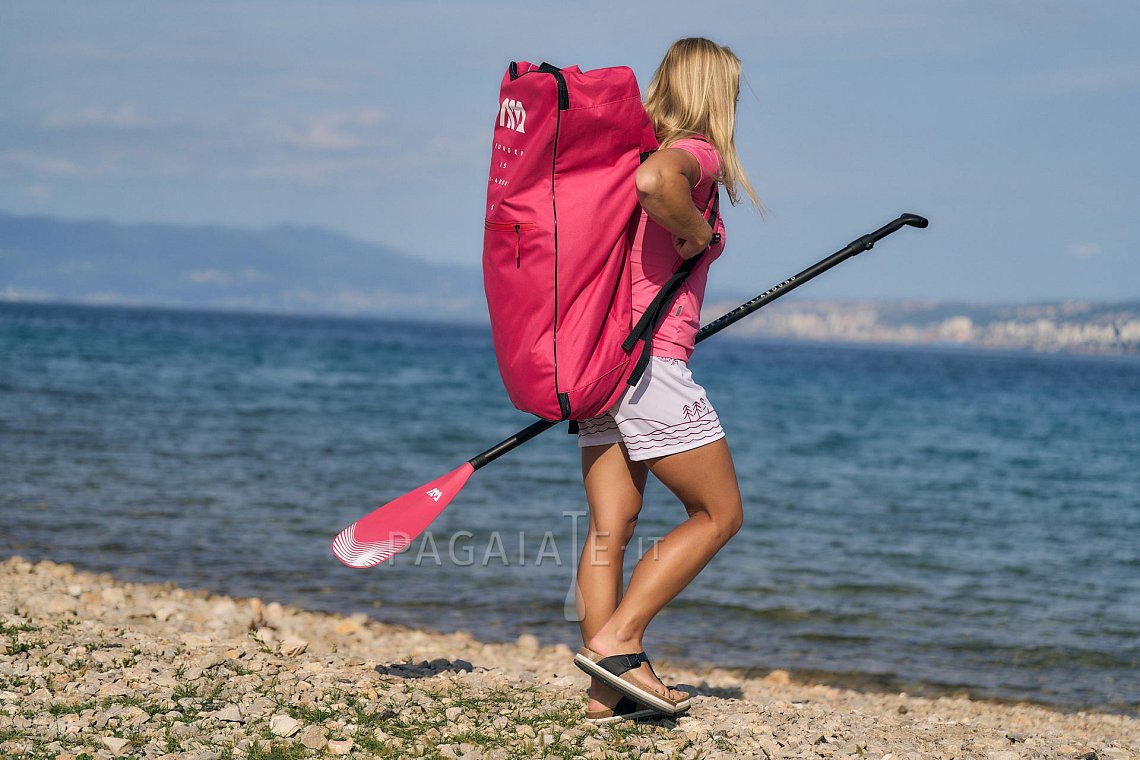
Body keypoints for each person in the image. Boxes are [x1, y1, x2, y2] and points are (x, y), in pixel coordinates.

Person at [571, 37, 763, 722]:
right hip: (653, 367)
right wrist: (701, 236)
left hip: (602, 364)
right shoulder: (696, 154)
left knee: (607, 530)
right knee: (718, 515)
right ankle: (621, 643)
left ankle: (605, 691)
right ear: (717, 93)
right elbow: (660, 185)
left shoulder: (624, 154)